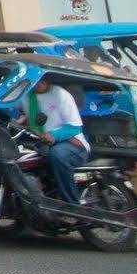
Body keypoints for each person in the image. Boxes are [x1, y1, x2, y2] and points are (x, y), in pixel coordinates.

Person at [27, 73, 90, 202]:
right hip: (41, 142)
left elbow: (75, 127)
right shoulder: (25, 95)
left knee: (57, 154)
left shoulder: (61, 95)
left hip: (72, 144)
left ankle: (72, 205)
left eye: (42, 80)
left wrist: (54, 136)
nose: (39, 83)